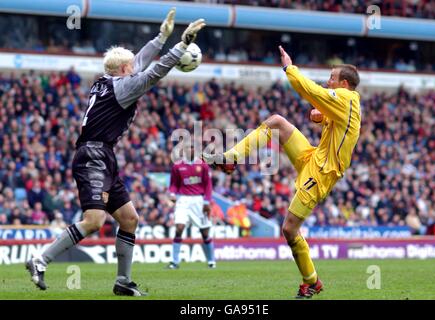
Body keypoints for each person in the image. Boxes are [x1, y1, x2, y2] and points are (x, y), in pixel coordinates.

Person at [25, 8, 206, 296]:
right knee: (94, 221)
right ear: (124, 70)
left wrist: (161, 37)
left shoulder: (106, 81)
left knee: (129, 218)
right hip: (93, 157)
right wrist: (181, 45)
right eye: (131, 66)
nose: (135, 67)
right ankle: (40, 259)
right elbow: (154, 72)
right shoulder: (125, 86)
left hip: (102, 155)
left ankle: (122, 282)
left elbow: (141, 62)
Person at [203, 46, 361, 298]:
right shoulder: (345, 103)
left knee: (289, 229)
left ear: (344, 83)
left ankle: (311, 281)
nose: (328, 81)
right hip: (313, 157)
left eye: (332, 77)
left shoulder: (347, 98)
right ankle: (231, 159)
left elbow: (312, 91)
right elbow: (322, 113)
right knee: (276, 121)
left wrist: (289, 67)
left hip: (321, 173)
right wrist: (320, 117)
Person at [166, 140, 215, 269]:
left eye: (193, 148)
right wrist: (171, 194)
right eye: (188, 148)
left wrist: (206, 202)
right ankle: (174, 262)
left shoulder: (203, 165)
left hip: (199, 200)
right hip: (183, 200)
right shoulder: (177, 166)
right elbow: (174, 185)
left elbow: (208, 185)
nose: (191, 150)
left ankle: (211, 261)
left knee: (204, 232)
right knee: (179, 228)